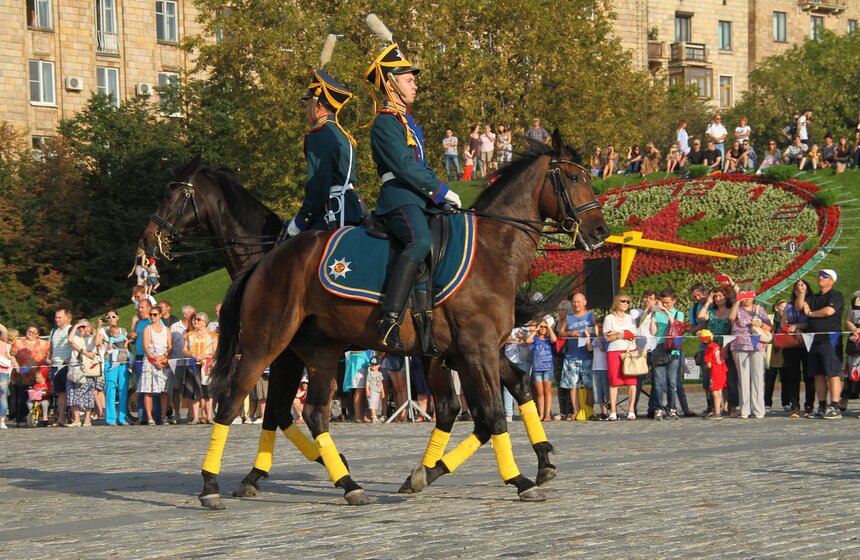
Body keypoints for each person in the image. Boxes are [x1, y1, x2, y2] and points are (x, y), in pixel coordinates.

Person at [364, 31, 461, 350]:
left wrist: (442, 195)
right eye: (408, 79)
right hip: (399, 199)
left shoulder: (410, 123)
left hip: (419, 199)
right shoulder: (385, 122)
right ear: (390, 84)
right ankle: (389, 319)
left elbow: (423, 165)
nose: (415, 84)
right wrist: (441, 189)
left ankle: (428, 317)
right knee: (419, 240)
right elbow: (404, 167)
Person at [286, 40, 365, 236]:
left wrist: (300, 222)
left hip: (332, 212)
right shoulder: (341, 133)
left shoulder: (318, 135)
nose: (305, 111)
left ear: (318, 106)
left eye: (307, 105)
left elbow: (318, 186)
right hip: (353, 207)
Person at [796, 269, 844, 419]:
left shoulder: (836, 295)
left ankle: (834, 406)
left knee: (832, 372)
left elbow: (829, 311)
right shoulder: (814, 297)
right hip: (813, 339)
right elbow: (799, 307)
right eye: (819, 276)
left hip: (829, 338)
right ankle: (822, 405)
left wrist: (811, 313)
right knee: (817, 374)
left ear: (832, 280)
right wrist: (802, 292)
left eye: (824, 276)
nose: (820, 278)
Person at [729, 285, 772, 419]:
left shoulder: (760, 310)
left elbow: (769, 327)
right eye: (745, 295)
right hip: (740, 345)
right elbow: (731, 318)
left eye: (750, 295)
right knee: (743, 378)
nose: (747, 298)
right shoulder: (738, 308)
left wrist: (760, 325)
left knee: (758, 377)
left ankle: (758, 409)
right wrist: (737, 300)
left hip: (758, 345)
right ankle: (745, 409)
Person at [697, 284, 737, 415]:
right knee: (714, 378)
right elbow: (701, 316)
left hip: (727, 348)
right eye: (715, 296)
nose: (717, 298)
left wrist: (726, 347)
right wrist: (708, 302)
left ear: (726, 297)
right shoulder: (712, 312)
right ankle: (716, 407)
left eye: (720, 295)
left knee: (729, 379)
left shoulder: (731, 311)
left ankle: (730, 406)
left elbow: (732, 330)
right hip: (713, 350)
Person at [649, 288, 687, 420]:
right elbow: (653, 332)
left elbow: (676, 326)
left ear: (674, 301)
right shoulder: (657, 314)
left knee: (672, 382)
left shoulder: (679, 313)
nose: (665, 305)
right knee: (658, 381)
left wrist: (667, 313)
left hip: (673, 349)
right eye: (663, 302)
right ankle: (658, 408)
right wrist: (653, 317)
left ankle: (672, 408)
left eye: (668, 303)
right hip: (659, 347)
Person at [559, 293, 594, 421]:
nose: (576, 304)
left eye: (579, 302)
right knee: (572, 386)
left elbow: (598, 331)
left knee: (589, 386)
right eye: (574, 302)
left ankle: (589, 410)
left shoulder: (591, 316)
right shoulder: (568, 318)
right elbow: (561, 333)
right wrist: (570, 332)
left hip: (587, 356)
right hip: (571, 356)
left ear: (585, 302)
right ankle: (576, 411)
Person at [603, 294, 638, 421]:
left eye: (628, 302)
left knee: (631, 382)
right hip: (614, 350)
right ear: (617, 302)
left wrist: (618, 334)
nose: (625, 304)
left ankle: (631, 410)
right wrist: (623, 334)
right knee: (614, 382)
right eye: (623, 301)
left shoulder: (630, 319)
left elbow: (632, 334)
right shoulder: (609, 318)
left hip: (629, 350)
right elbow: (607, 337)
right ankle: (613, 410)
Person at [780, 281, 810, 418]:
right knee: (792, 375)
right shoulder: (788, 307)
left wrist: (798, 326)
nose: (800, 288)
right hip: (791, 343)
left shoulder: (809, 304)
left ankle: (809, 404)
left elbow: (810, 322)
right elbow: (783, 324)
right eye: (797, 286)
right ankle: (795, 405)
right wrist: (792, 328)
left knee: (809, 375)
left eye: (803, 285)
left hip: (807, 342)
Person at [67, 319, 103, 427]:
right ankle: (77, 419)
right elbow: (69, 339)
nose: (81, 329)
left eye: (83, 327)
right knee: (73, 393)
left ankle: (87, 418)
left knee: (87, 394)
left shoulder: (91, 338)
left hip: (87, 369)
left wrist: (98, 328)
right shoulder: (76, 338)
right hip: (74, 368)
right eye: (80, 328)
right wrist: (76, 325)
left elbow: (96, 344)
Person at [140, 305, 171, 425]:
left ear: (160, 315)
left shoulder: (166, 329)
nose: (152, 317)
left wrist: (164, 356)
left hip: (162, 359)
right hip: (150, 361)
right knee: (148, 390)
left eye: (155, 314)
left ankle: (163, 416)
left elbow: (170, 346)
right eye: (151, 314)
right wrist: (154, 360)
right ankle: (149, 417)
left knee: (164, 390)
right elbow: (146, 346)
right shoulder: (147, 329)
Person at [184, 311, 217, 424]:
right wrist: (193, 355)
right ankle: (195, 417)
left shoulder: (212, 335)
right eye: (195, 319)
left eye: (198, 320)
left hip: (206, 366)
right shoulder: (190, 335)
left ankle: (209, 416)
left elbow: (216, 351)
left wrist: (206, 356)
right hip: (193, 365)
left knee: (208, 392)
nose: (195, 321)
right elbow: (184, 350)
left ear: (205, 322)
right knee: (194, 392)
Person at [102, 310, 131, 426]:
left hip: (123, 361)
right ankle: (111, 418)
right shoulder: (103, 330)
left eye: (113, 316)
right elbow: (98, 341)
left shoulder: (123, 330)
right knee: (110, 389)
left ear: (117, 317)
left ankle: (123, 417)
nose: (111, 318)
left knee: (123, 389)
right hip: (110, 361)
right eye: (108, 317)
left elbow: (127, 343)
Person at [168, 305, 194, 424]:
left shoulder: (193, 327)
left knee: (189, 388)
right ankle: (176, 413)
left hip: (190, 362)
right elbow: (170, 343)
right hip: (176, 361)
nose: (195, 315)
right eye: (192, 313)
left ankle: (190, 413)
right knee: (176, 388)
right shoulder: (174, 327)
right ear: (185, 314)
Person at [526, 320, 557, 422]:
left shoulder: (548, 339)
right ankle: (541, 413)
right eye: (541, 327)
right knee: (539, 392)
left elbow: (554, 339)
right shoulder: (535, 339)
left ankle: (547, 414)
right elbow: (527, 341)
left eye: (544, 327)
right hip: (537, 368)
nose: (543, 329)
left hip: (548, 367)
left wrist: (549, 327)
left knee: (547, 391)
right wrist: (536, 329)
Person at [47, 309, 74, 427]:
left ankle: (74, 417)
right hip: (55, 365)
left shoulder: (72, 330)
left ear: (67, 318)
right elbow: (50, 347)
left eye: (60, 317)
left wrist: (71, 359)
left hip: (67, 365)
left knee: (72, 392)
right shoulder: (53, 331)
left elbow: (76, 345)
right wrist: (48, 358)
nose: (57, 319)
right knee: (60, 393)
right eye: (56, 317)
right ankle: (61, 418)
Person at [699, 330, 726, 419]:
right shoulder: (716, 346)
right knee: (719, 391)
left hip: (715, 372)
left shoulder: (708, 349)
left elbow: (709, 365)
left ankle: (717, 412)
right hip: (722, 370)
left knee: (714, 392)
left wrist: (705, 367)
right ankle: (718, 410)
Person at [382, 354, 407, 422]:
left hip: (400, 359)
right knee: (397, 389)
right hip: (390, 360)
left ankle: (404, 413)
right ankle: (401, 411)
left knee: (403, 388)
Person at [365, 356, 386, 422]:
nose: (373, 366)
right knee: (372, 403)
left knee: (376, 404)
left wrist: (382, 392)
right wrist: (367, 390)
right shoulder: (370, 373)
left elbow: (381, 383)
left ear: (379, 365)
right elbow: (367, 382)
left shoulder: (380, 374)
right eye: (372, 365)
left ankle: (371, 416)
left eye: (375, 365)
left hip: (378, 391)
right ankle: (374, 416)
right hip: (372, 390)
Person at [0, 324, 11, 430]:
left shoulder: (3, 342)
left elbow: (4, 330)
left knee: (2, 397)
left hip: (3, 373)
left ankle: (2, 421)